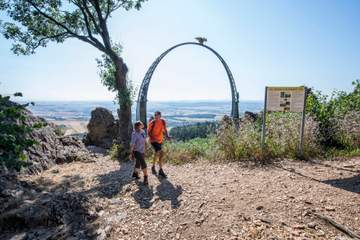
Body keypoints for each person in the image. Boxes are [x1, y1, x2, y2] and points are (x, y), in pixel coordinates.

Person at [147, 111, 170, 178]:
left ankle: (153, 167)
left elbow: (165, 130)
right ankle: (160, 170)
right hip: (153, 140)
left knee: (157, 153)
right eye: (155, 116)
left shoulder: (163, 121)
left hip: (160, 140)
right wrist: (153, 138)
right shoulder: (152, 122)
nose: (156, 117)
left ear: (160, 116)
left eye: (157, 115)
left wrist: (167, 136)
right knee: (161, 152)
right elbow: (148, 132)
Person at [130, 121, 148, 185]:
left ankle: (135, 174)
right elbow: (132, 145)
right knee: (143, 163)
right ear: (138, 126)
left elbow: (145, 140)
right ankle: (146, 178)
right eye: (141, 124)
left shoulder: (143, 131)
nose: (142, 125)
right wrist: (131, 154)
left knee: (138, 163)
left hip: (142, 150)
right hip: (136, 151)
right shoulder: (134, 134)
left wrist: (146, 148)